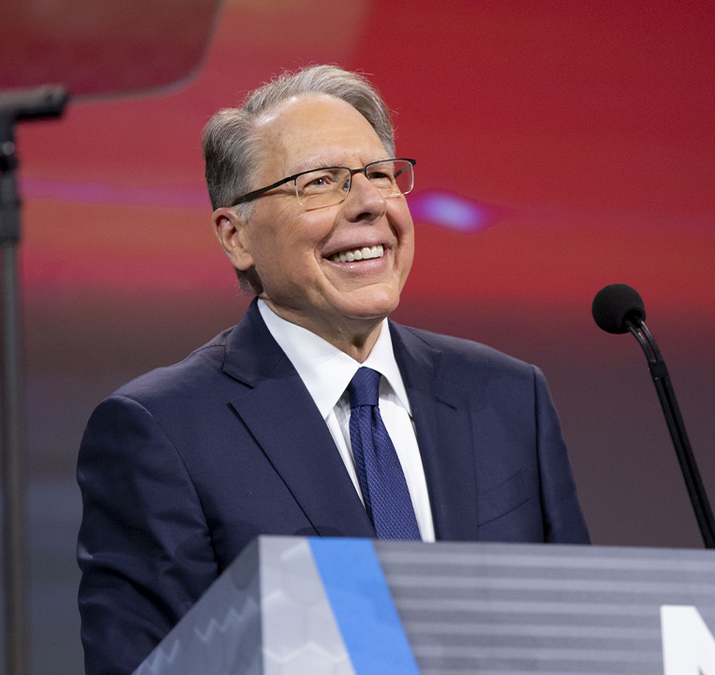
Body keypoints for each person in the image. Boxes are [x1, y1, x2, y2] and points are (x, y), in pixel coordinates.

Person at [76, 65, 589, 674]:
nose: (370, 204)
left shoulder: (508, 398)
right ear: (236, 235)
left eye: (379, 175)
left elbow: (580, 638)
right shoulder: (161, 432)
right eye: (320, 182)